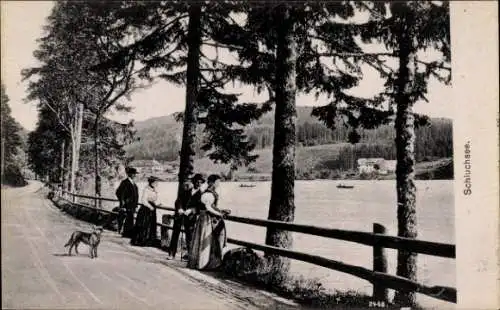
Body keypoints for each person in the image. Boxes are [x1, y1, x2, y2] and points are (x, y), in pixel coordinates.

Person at [187, 174, 230, 270]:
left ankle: (207, 262)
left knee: (208, 240)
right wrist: (220, 214)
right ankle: (203, 263)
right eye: (217, 182)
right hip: (206, 218)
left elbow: (212, 206)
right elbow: (208, 208)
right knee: (205, 239)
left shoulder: (210, 193)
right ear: (212, 183)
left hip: (207, 217)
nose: (218, 184)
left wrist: (221, 210)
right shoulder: (208, 194)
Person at [179, 173, 206, 260]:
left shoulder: (202, 194)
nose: (199, 184)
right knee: (188, 235)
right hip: (186, 217)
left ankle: (193, 255)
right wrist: (180, 208)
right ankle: (189, 253)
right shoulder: (187, 192)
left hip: (196, 218)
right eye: (197, 182)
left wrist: (192, 210)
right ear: (193, 182)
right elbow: (179, 201)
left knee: (195, 236)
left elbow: (202, 207)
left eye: (200, 182)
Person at [131, 176, 163, 246]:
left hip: (152, 208)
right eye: (155, 182)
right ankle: (141, 240)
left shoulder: (154, 189)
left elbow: (153, 199)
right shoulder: (146, 189)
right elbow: (144, 200)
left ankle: (149, 241)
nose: (157, 184)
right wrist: (150, 207)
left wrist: (157, 204)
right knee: (144, 224)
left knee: (150, 224)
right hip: (146, 209)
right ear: (151, 182)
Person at [167, 180, 193, 260]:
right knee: (175, 235)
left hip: (188, 217)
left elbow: (195, 205)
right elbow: (177, 202)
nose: (186, 188)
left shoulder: (193, 194)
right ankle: (172, 253)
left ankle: (190, 254)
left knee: (189, 236)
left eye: (188, 186)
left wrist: (189, 210)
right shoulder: (181, 194)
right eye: (185, 186)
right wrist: (179, 209)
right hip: (179, 216)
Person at [115, 167, 139, 238]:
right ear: (129, 174)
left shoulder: (133, 183)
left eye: (135, 174)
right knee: (126, 218)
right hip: (126, 205)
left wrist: (136, 204)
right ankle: (125, 233)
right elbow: (118, 192)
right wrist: (123, 201)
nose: (135, 175)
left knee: (130, 219)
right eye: (133, 174)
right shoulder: (125, 182)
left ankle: (128, 233)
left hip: (132, 205)